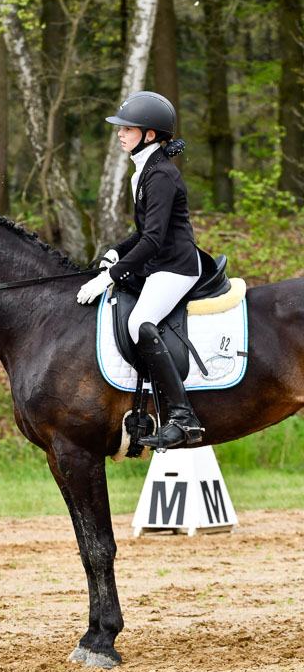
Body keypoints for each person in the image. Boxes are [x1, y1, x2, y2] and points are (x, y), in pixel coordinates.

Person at [77, 90, 204, 449]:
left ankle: (183, 416)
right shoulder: (145, 169)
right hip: (158, 262)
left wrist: (109, 277)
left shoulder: (160, 174)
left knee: (138, 324)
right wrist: (117, 252)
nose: (119, 133)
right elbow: (142, 234)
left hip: (176, 267)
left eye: (127, 129)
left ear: (149, 135)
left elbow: (153, 239)